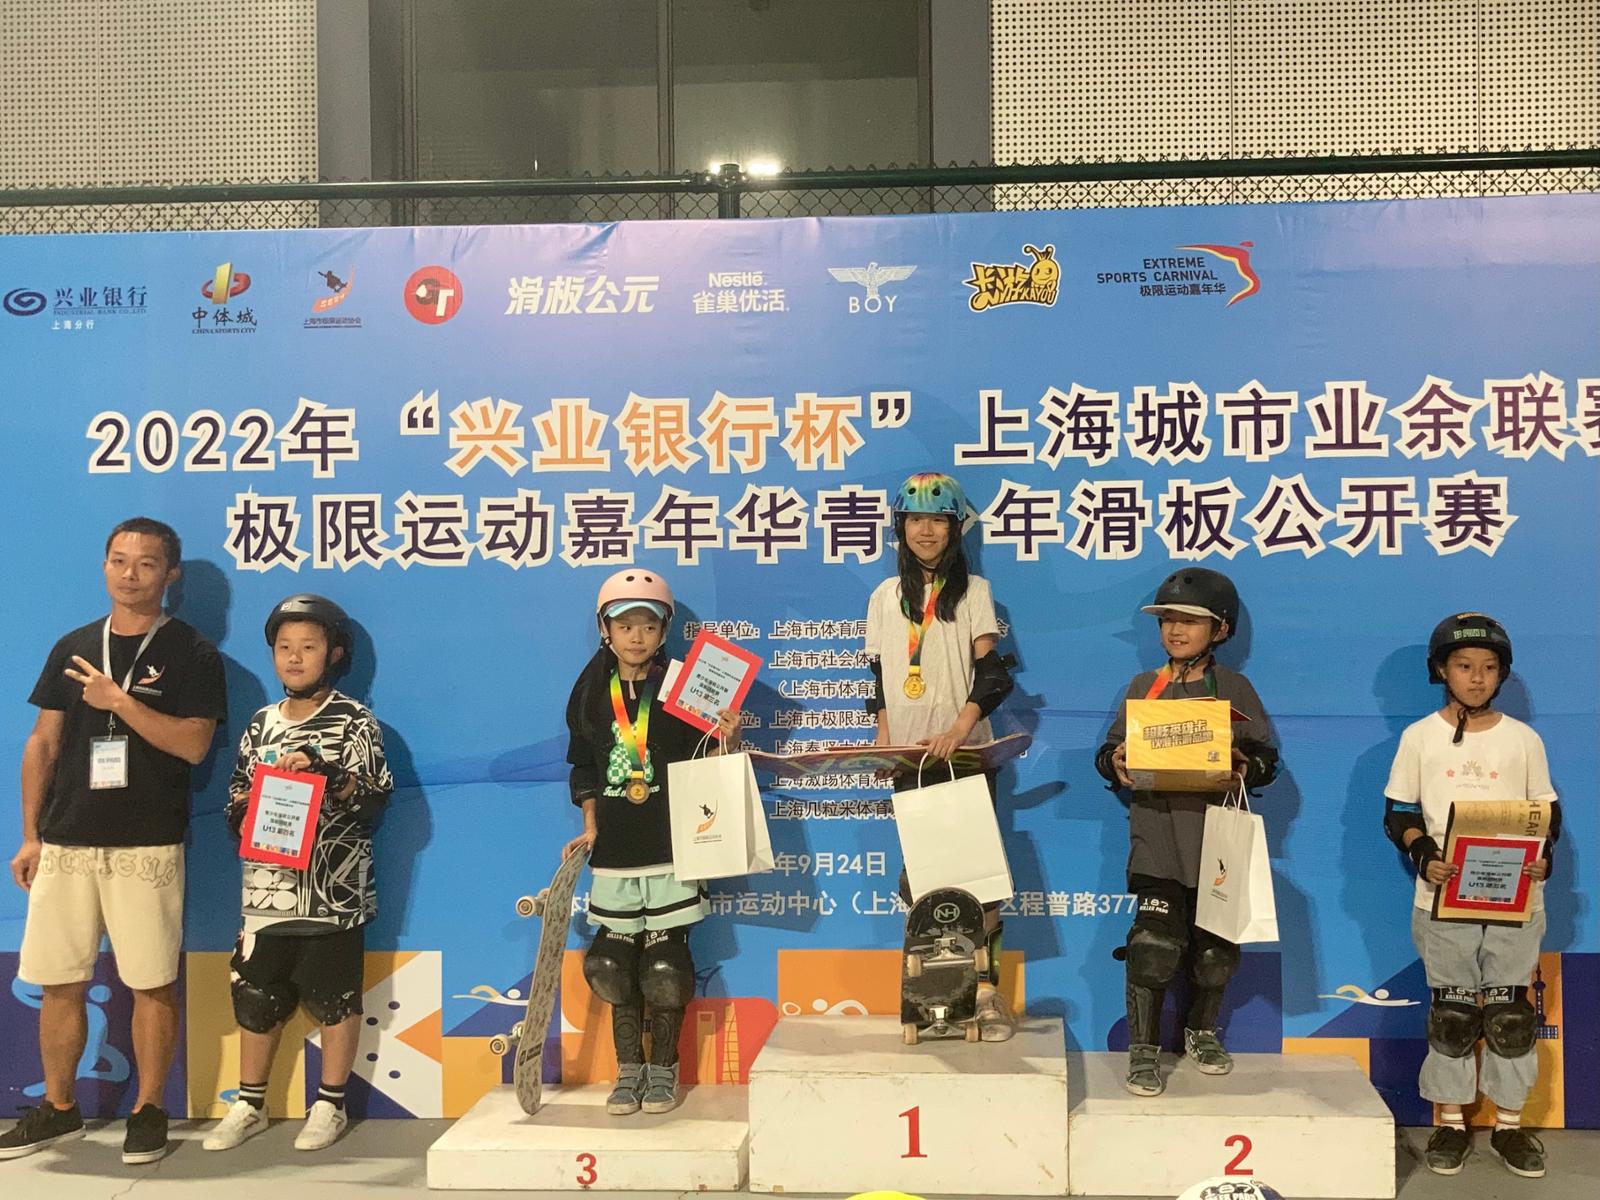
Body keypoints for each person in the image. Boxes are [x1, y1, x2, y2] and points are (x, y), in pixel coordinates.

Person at [2, 518, 225, 1164]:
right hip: (66, 842)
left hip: (145, 846)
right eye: (119, 560)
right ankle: (59, 1109)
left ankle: (149, 1110)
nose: (130, 574)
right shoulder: (73, 646)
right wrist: (30, 836)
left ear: (170, 575)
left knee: (152, 982)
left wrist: (119, 702)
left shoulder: (192, 652)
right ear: (103, 566)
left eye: (146, 564)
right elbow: (42, 745)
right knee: (59, 981)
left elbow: (193, 745)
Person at [203, 594, 393, 1153]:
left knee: (335, 997)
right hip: (267, 889)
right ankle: (250, 1103)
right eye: (284, 647)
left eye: (308, 647)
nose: (293, 657)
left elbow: (375, 801)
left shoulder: (354, 721)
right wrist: (245, 811)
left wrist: (328, 773)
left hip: (334, 891)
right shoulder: (260, 724)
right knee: (256, 995)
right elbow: (235, 796)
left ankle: (330, 1103)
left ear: (334, 653)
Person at [1382, 613, 1560, 1179]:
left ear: (1502, 674)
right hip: (1443, 898)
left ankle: (1508, 1126)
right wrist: (1422, 853)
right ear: (1441, 670)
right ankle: (1451, 1123)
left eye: (1488, 667)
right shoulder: (1419, 737)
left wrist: (1544, 858)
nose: (1477, 677)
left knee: (1509, 1015)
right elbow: (1399, 812)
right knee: (1454, 1015)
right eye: (1464, 666)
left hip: (1515, 900)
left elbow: (1546, 813)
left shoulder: (1523, 740)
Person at [1094, 567, 1278, 1097]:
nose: (1176, 630)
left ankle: (1201, 1032)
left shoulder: (1235, 689)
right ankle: (1143, 1050)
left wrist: (1244, 765)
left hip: (1217, 843)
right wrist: (1114, 762)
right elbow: (1107, 754)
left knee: (1214, 954)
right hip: (1157, 839)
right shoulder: (1142, 688)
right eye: (1168, 620)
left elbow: (1267, 761)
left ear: (1220, 629)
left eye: (1191, 621)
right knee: (1153, 948)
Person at [563, 569, 740, 1117]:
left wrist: (727, 736)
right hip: (615, 852)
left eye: (647, 625)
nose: (636, 636)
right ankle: (628, 1072)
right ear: (605, 630)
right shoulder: (590, 693)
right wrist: (590, 825)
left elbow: (707, 765)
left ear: (664, 631)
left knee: (665, 969)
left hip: (671, 849)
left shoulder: (684, 686)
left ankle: (663, 1072)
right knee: (612, 968)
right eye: (625, 625)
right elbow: (585, 767)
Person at [864, 471, 1017, 1041]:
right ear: (900, 527)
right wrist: (884, 739)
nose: (925, 531)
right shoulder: (884, 597)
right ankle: (939, 996)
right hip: (911, 760)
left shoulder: (973, 591)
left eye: (937, 520)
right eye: (915, 520)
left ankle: (988, 994)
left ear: (955, 529)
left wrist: (960, 728)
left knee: (980, 881)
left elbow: (993, 675)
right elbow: (879, 679)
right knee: (924, 883)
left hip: (966, 755)